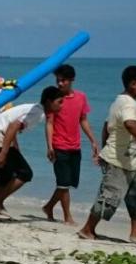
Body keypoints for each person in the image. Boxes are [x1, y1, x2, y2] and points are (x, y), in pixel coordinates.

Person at [78, 66, 136, 242]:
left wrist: (103, 148)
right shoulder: (127, 104)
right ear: (133, 84)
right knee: (109, 197)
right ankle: (87, 229)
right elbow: (130, 124)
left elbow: (106, 125)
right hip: (118, 161)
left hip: (133, 160)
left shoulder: (120, 102)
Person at [0, 86, 65, 219]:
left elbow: (12, 124)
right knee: (25, 173)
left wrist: (14, 147)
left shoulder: (35, 108)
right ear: (49, 102)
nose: (61, 105)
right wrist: (4, 152)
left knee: (5, 175)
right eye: (59, 102)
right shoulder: (38, 113)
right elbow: (13, 126)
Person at [41, 64, 99, 225]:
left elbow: (83, 120)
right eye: (58, 80)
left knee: (69, 183)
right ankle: (67, 217)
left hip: (75, 147)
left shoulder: (81, 97)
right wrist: (49, 146)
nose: (60, 84)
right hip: (59, 146)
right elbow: (49, 123)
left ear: (72, 80)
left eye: (63, 80)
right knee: (63, 184)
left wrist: (93, 141)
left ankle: (48, 206)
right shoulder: (54, 99)